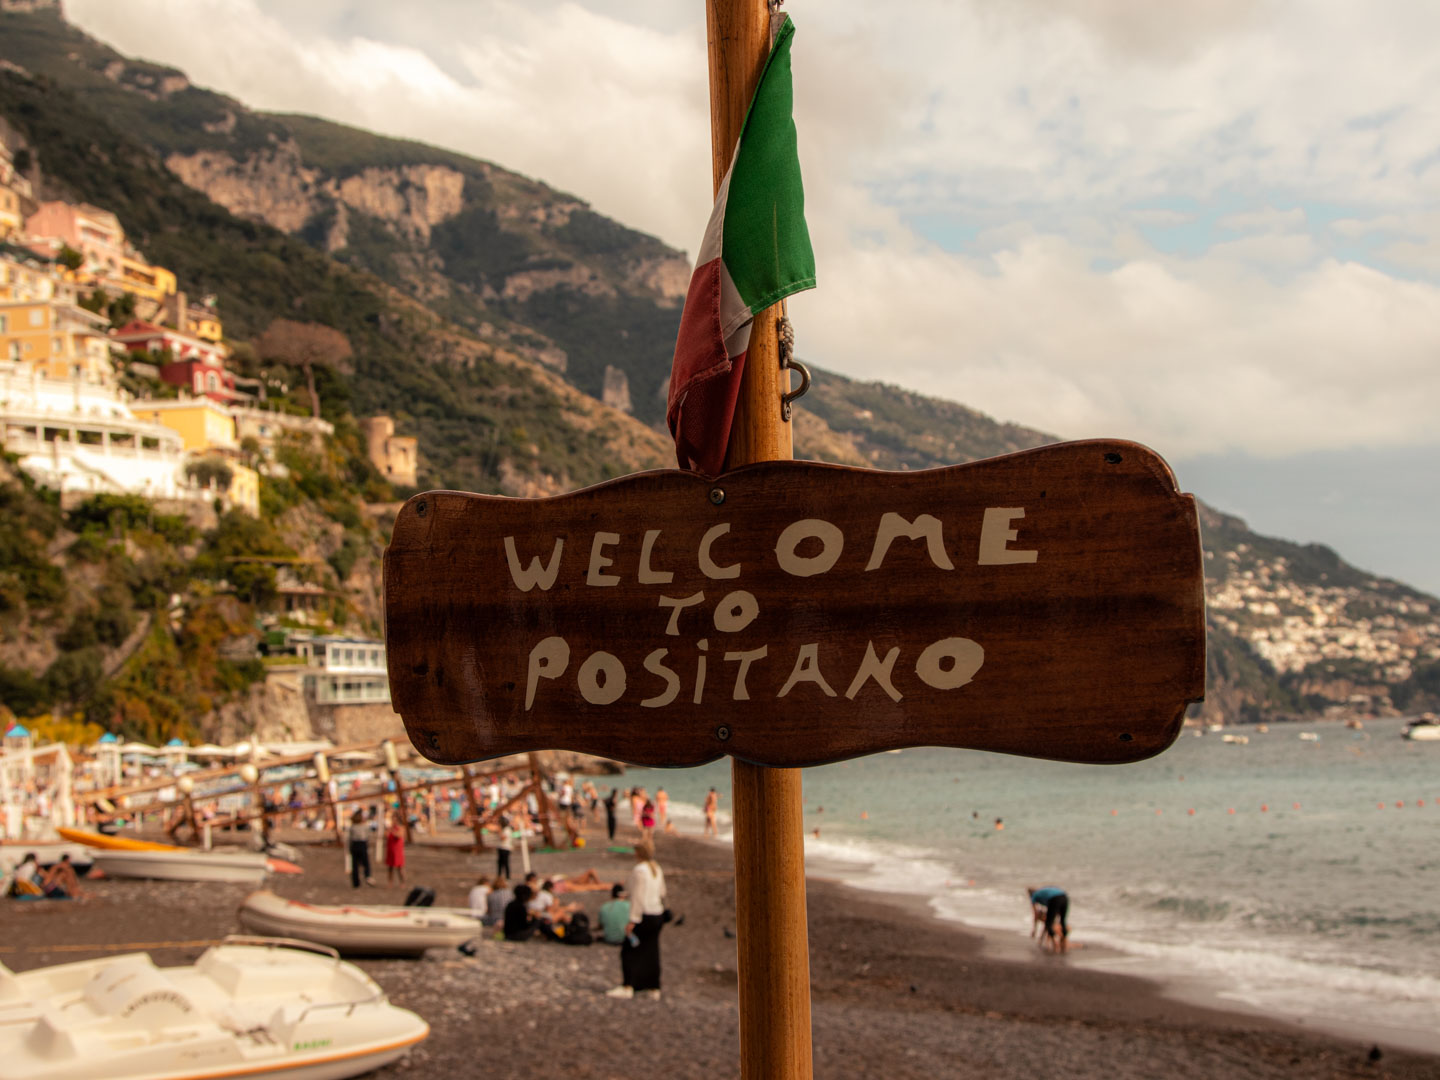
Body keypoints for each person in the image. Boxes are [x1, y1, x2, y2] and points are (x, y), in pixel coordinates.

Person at [606, 840, 667, 999]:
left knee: (629, 951)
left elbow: (638, 897)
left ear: (638, 853)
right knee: (651, 951)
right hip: (657, 914)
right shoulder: (656, 868)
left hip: (644, 915)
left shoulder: (639, 870)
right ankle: (654, 987)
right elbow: (662, 892)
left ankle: (628, 986)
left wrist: (633, 920)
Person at [1027, 886, 1069, 953]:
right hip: (1064, 897)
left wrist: (1034, 929)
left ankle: (1055, 944)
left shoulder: (1034, 896)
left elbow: (1035, 914)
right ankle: (1064, 943)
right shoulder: (1042, 893)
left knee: (1048, 924)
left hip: (1055, 899)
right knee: (1063, 921)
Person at [348, 809, 374, 888]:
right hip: (362, 845)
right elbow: (368, 837)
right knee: (366, 863)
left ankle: (356, 882)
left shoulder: (352, 827)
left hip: (355, 845)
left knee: (355, 865)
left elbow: (350, 839)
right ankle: (367, 876)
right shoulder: (364, 827)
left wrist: (349, 848)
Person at [384, 813, 406, 885]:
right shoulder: (390, 827)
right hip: (391, 848)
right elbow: (386, 835)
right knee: (390, 867)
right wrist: (389, 830)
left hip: (397, 849)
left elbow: (399, 835)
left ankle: (402, 882)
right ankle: (390, 882)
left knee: (399, 867)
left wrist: (393, 831)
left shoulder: (401, 827)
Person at [495, 814, 513, 878]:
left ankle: (507, 876)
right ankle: (499, 875)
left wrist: (499, 830)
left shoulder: (507, 830)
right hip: (501, 847)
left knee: (505, 863)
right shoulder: (504, 829)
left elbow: (503, 838)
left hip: (506, 848)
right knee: (500, 863)